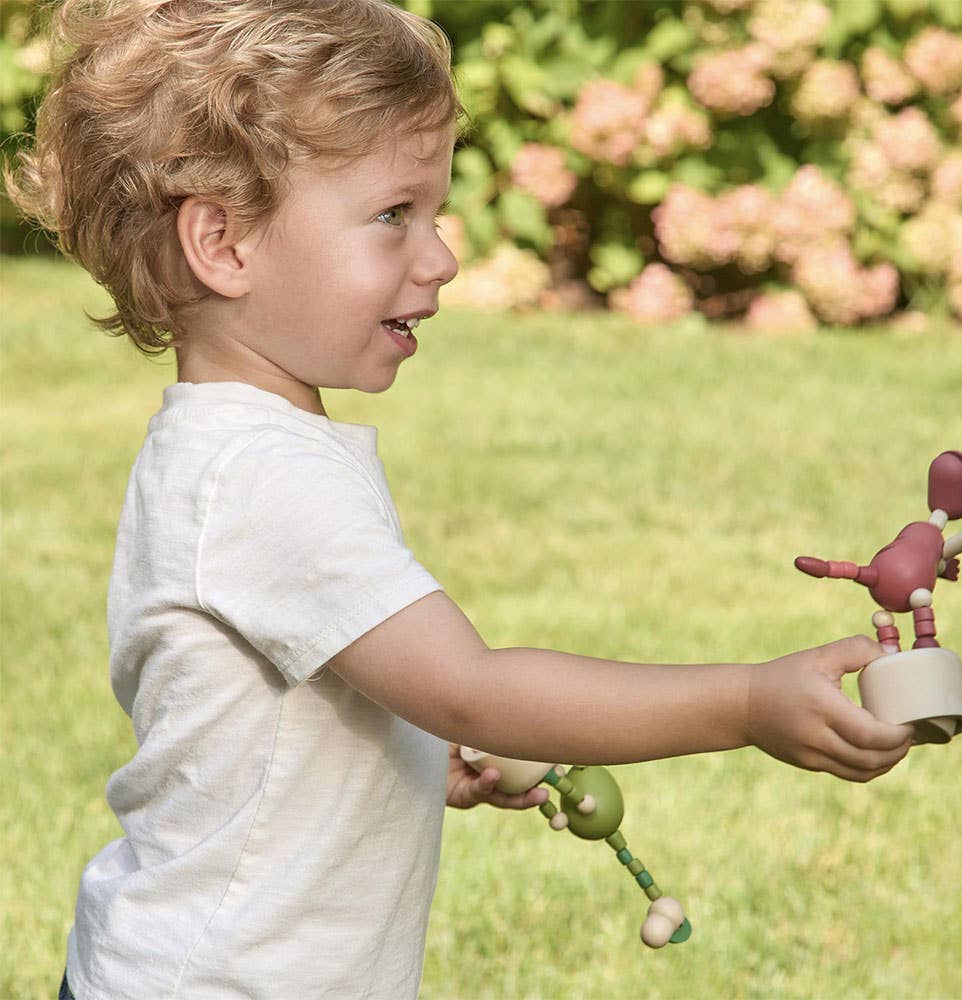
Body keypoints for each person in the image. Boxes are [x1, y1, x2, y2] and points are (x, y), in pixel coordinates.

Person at [8, 1, 914, 997]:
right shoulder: (262, 476)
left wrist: (398, 754)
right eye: (395, 215)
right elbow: (470, 685)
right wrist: (746, 702)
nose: (440, 257)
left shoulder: (240, 443)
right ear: (222, 243)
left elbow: (279, 705)